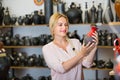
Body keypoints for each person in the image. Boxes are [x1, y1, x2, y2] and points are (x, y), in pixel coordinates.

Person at [42, 12, 98, 80]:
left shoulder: (75, 42)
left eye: (66, 25)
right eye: (60, 25)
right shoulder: (47, 49)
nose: (64, 27)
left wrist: (94, 47)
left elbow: (87, 64)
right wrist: (81, 54)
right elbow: (61, 68)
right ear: (53, 28)